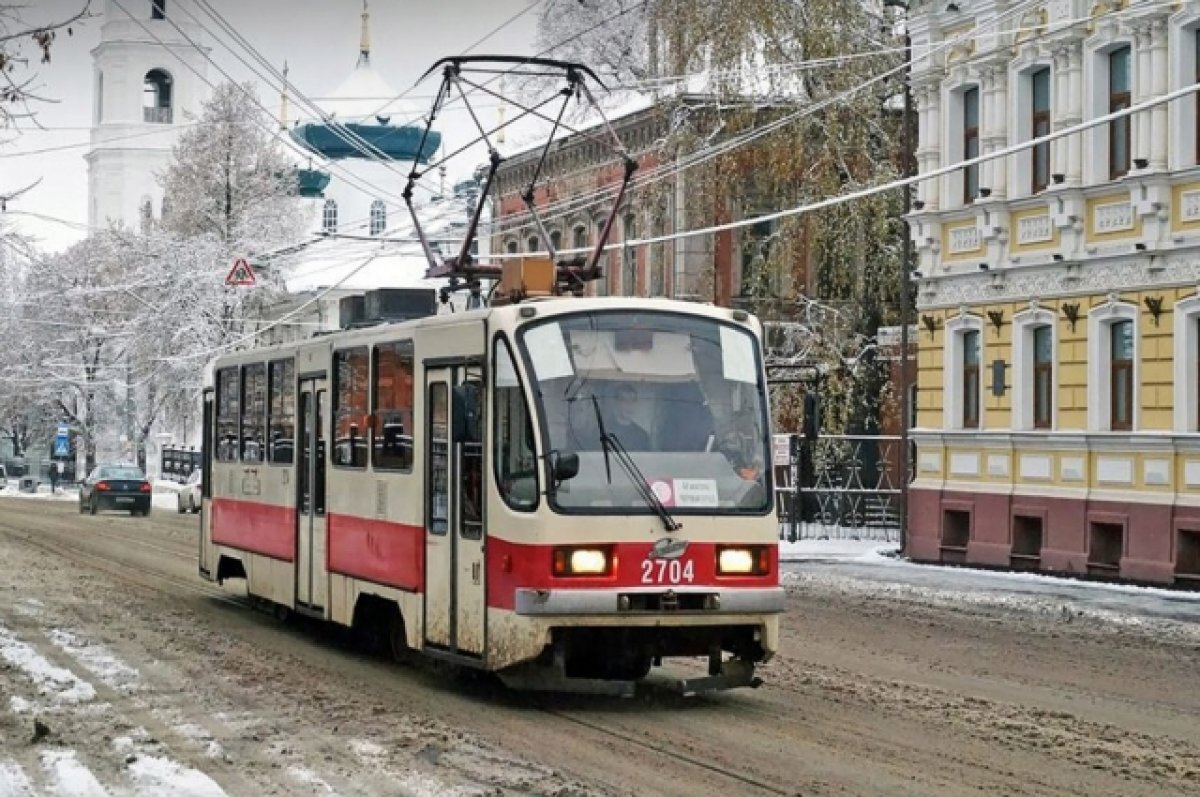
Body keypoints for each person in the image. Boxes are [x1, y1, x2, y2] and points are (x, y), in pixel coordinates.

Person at [608, 384, 651, 451]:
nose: (629, 404)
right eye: (624, 400)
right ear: (616, 403)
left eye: (633, 400)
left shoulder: (642, 435)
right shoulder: (604, 431)